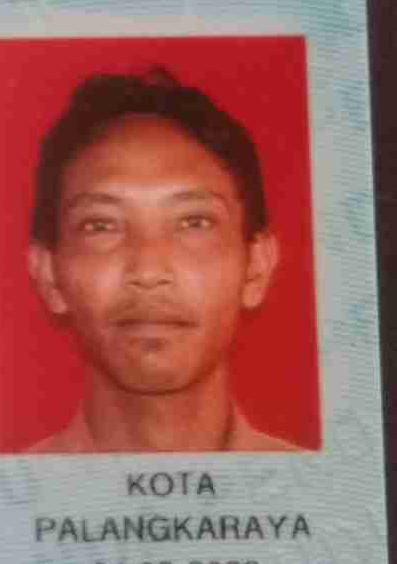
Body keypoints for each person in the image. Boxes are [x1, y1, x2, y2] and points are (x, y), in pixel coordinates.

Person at [22, 68, 301, 453]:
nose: (148, 271)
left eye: (194, 222)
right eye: (101, 225)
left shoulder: (327, 486)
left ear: (256, 267)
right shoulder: (1, 490)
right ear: (49, 275)